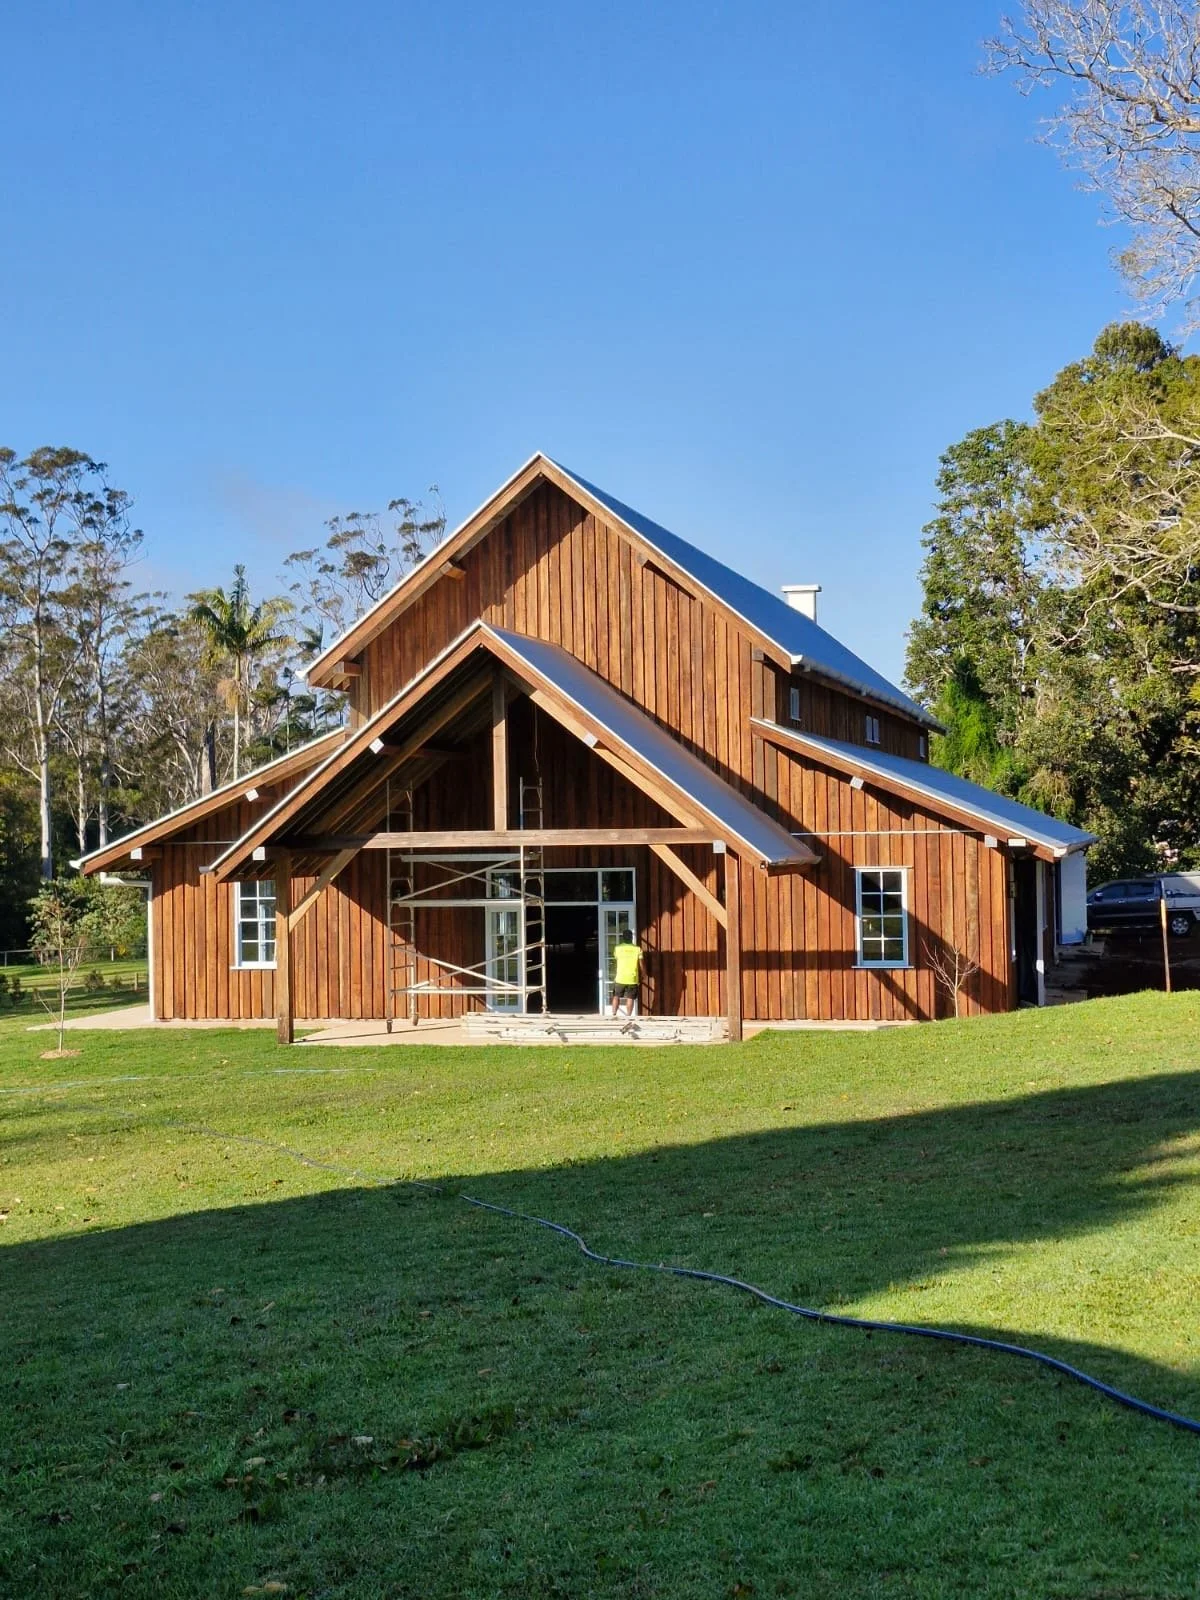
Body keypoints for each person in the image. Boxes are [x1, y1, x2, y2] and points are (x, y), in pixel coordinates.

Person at [609, 928, 644, 1020]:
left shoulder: (617, 948)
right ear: (631, 937)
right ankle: (628, 1016)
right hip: (632, 978)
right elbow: (641, 964)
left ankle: (614, 1014)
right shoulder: (637, 949)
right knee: (630, 998)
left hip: (620, 976)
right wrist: (643, 974)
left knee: (616, 996)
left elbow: (616, 959)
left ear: (623, 938)